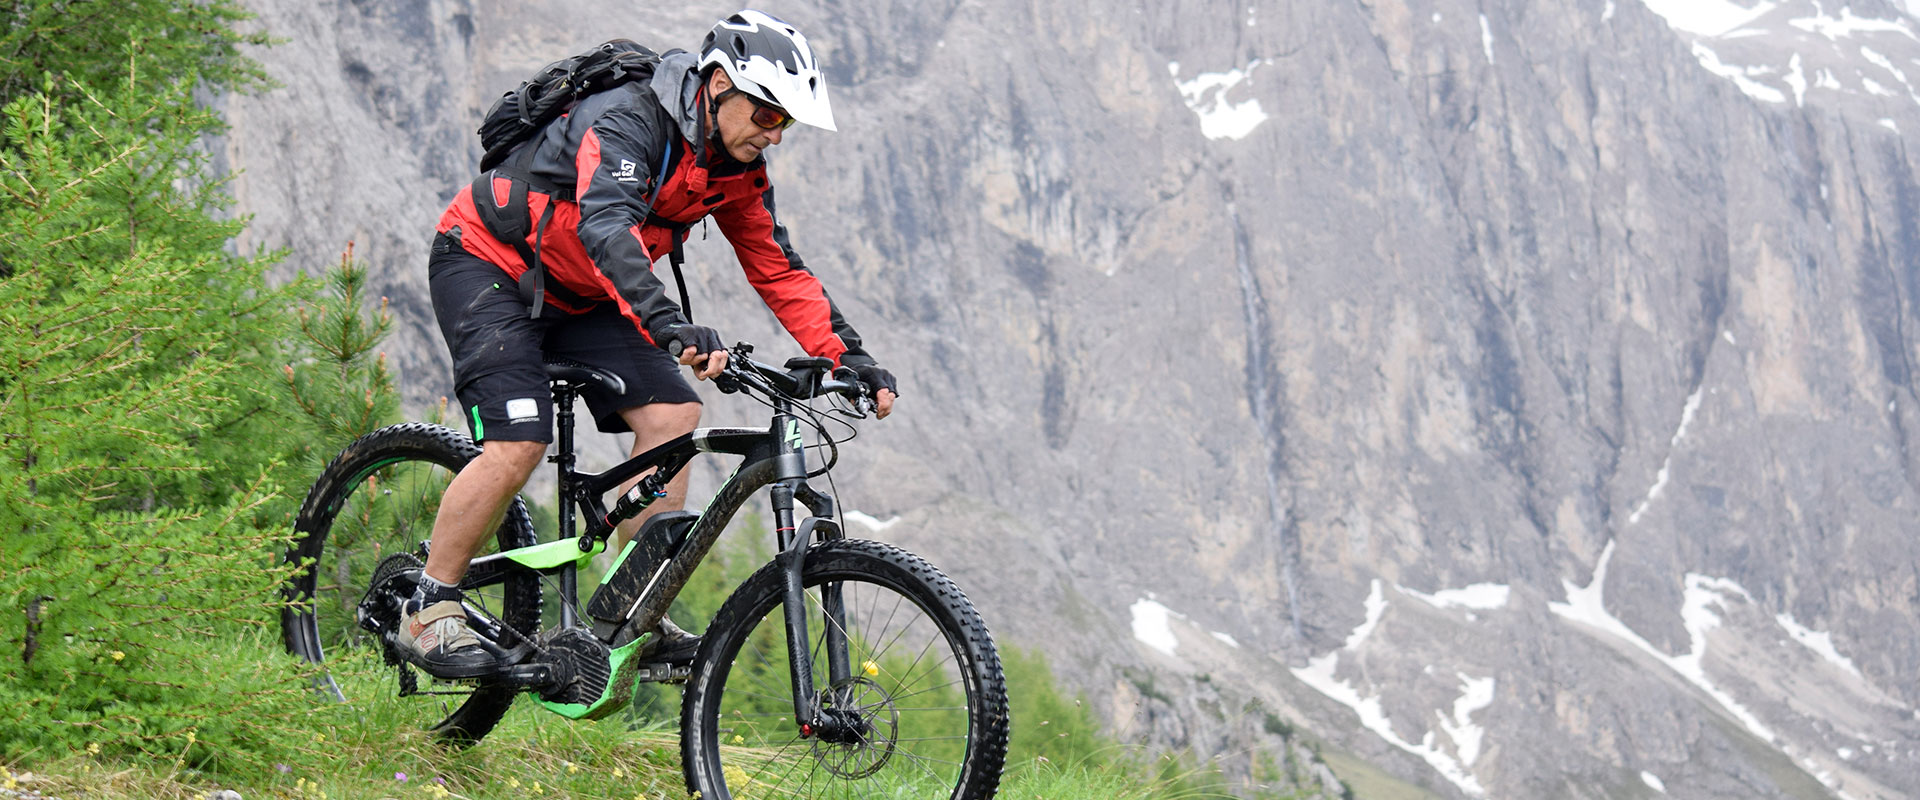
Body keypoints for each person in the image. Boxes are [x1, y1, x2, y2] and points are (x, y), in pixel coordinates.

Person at [401, 10, 898, 678]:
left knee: (673, 417)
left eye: (785, 124)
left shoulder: (735, 168)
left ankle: (632, 610)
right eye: (768, 115)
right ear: (719, 85)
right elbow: (608, 229)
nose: (774, 136)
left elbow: (777, 266)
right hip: (489, 264)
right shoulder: (630, 119)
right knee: (518, 442)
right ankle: (427, 603)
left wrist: (849, 355)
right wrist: (670, 325)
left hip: (584, 291)